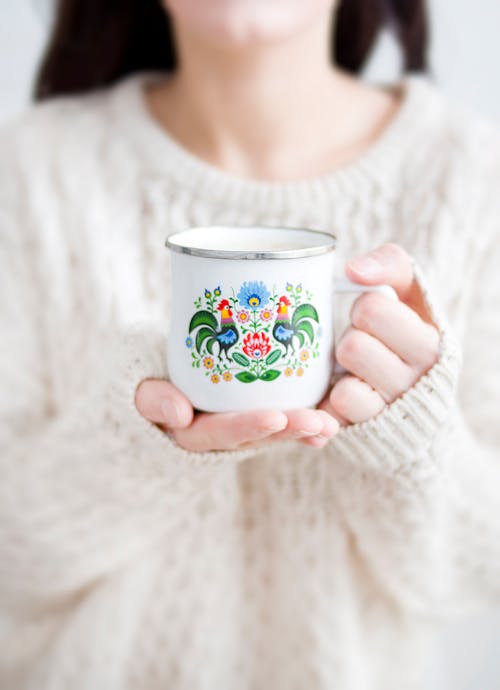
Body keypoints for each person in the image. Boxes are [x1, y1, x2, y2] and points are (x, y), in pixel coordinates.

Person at [1, 0, 499, 688]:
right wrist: (133, 438)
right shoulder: (30, 172)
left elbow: (479, 572)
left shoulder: (474, 178)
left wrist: (412, 436)